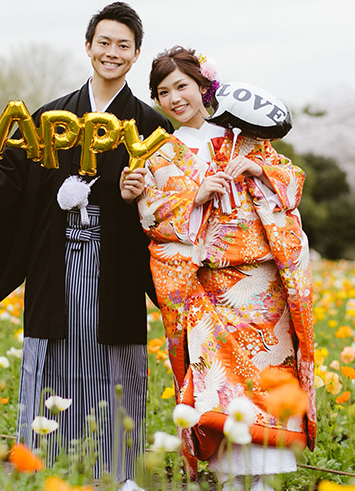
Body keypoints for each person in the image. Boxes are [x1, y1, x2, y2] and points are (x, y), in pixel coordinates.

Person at [0, 2, 171, 486]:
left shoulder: (151, 126)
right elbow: (14, 179)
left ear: (135, 56)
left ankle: (117, 473)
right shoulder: (50, 117)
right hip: (57, 263)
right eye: (104, 42)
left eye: (123, 46)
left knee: (115, 365)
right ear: (87, 46)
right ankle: (46, 470)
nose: (112, 53)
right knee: (53, 361)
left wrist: (139, 196)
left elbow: (173, 201)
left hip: (117, 270)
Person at [119, 47, 315, 490]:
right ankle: (228, 479)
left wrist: (259, 172)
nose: (174, 98)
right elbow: (152, 219)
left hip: (262, 287)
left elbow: (291, 183)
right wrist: (196, 198)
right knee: (217, 387)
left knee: (266, 383)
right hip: (205, 288)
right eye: (163, 92)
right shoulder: (160, 154)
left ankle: (264, 482)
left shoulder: (243, 135)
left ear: (203, 86)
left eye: (181, 86)